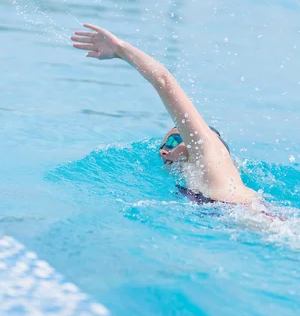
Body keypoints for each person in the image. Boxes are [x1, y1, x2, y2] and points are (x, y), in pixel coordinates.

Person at [70, 24, 263, 207]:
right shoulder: (202, 182)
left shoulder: (209, 152)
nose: (163, 152)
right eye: (164, 145)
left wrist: (121, 50)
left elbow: (163, 80)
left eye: (175, 140)